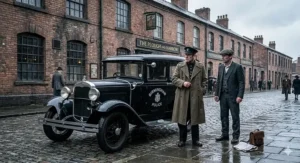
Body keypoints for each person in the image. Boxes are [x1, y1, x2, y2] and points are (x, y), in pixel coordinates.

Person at [171, 46, 207, 147]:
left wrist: (202, 90)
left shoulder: (200, 66)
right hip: (183, 96)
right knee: (182, 119)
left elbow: (205, 80)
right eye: (185, 55)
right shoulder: (179, 66)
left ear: (193, 56)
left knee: (195, 119)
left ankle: (195, 140)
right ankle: (182, 140)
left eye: (188, 55)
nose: (186, 57)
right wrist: (183, 83)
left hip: (195, 96)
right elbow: (174, 79)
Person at [214, 49, 245, 144]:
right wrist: (216, 94)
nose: (223, 57)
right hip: (223, 96)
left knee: (235, 116)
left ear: (230, 56)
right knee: (223, 116)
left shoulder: (237, 67)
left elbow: (241, 82)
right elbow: (219, 81)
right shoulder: (221, 67)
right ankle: (225, 135)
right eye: (222, 56)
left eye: (225, 56)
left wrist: (240, 96)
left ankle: (235, 136)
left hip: (233, 96)